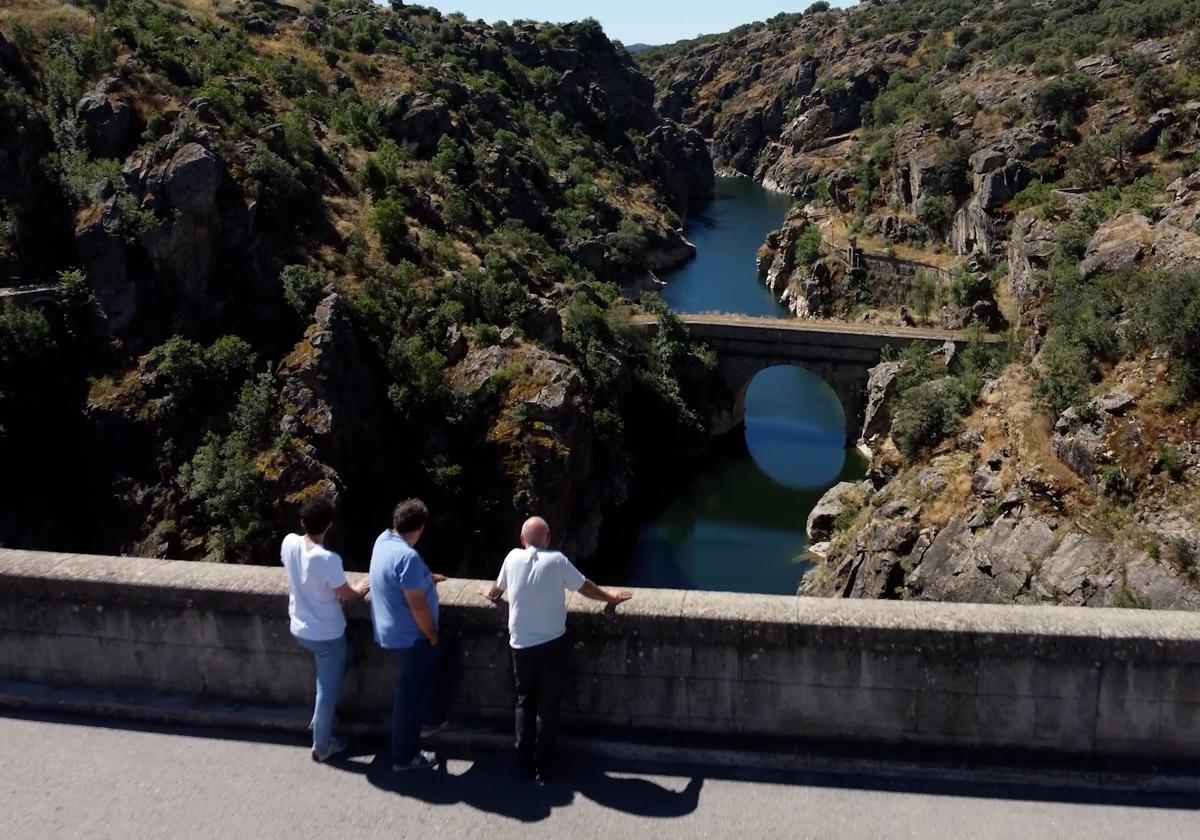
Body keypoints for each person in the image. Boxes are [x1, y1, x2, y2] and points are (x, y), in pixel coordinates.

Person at [481, 516, 632, 783]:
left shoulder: (512, 558)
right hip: (552, 644)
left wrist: (488, 595)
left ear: (521, 540)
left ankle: (522, 763)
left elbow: (496, 590)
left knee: (525, 702)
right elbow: (586, 588)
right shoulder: (558, 561)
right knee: (547, 706)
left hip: (521, 645)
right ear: (548, 539)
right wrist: (611, 598)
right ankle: (543, 767)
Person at [280, 497, 369, 763]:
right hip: (326, 633)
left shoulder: (289, 542)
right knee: (327, 689)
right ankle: (322, 745)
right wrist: (362, 588)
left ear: (302, 522)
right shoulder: (328, 559)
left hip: (299, 626)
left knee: (325, 682)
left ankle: (320, 720)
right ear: (329, 525)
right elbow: (345, 594)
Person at [369, 498, 453, 772]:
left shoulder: (383, 541)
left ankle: (428, 723)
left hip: (390, 630)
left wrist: (426, 576)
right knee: (409, 698)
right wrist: (431, 635)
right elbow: (417, 606)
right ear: (420, 528)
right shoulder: (408, 557)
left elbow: (400, 576)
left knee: (427, 678)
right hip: (411, 637)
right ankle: (405, 757)